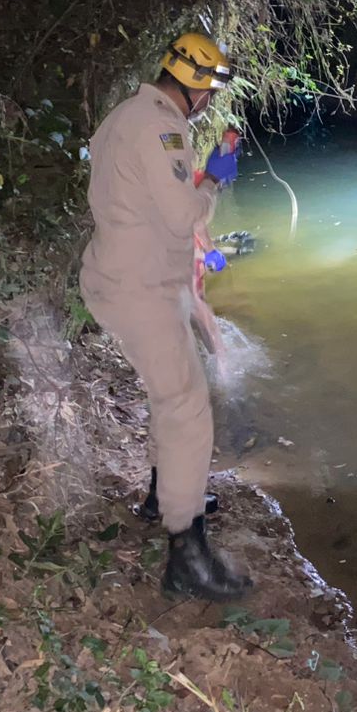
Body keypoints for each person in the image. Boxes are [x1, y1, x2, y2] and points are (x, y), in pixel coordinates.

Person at [79, 31, 251, 601]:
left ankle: (162, 493)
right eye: (208, 91)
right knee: (186, 406)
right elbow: (183, 215)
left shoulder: (123, 114)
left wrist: (197, 180)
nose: (206, 102)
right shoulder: (162, 127)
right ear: (198, 89)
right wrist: (213, 181)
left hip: (119, 276)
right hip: (140, 289)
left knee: (166, 391)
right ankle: (187, 556)